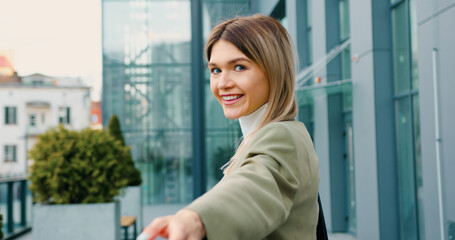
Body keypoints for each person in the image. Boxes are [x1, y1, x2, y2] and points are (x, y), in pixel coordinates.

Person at [138, 14, 320, 240]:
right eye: (215, 70)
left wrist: (196, 219)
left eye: (239, 67)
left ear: (274, 71)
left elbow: (253, 189)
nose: (223, 84)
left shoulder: (282, 136)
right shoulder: (264, 135)